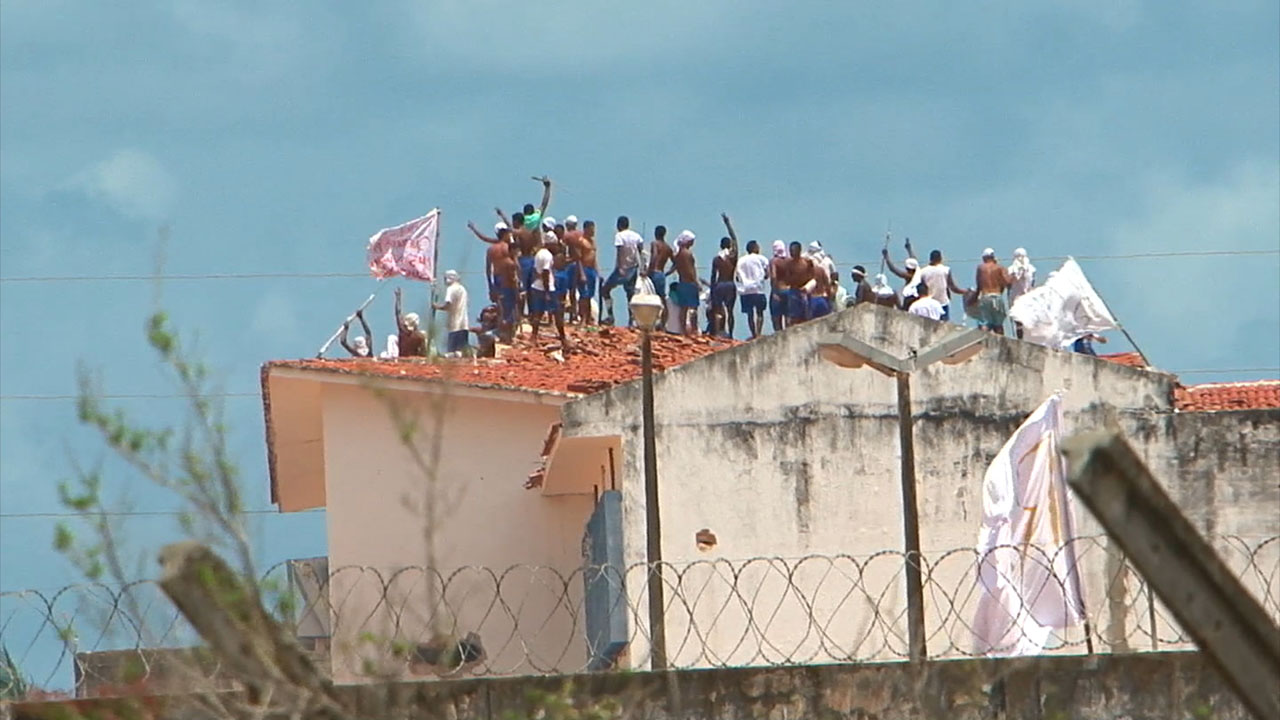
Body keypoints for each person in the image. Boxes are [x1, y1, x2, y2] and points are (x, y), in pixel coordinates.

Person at [601, 216, 644, 326]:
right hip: (633, 268)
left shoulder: (619, 236)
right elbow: (641, 251)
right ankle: (632, 320)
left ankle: (610, 316)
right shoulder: (636, 236)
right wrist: (643, 266)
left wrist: (620, 267)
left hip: (622, 268)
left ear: (619, 225)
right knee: (630, 295)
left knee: (605, 290)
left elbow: (619, 251)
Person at [529, 236, 570, 350]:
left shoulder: (539, 253)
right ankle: (563, 339)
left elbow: (536, 271)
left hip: (536, 286)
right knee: (557, 313)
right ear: (550, 244)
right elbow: (546, 272)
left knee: (537, 314)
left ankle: (533, 337)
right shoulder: (547, 256)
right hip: (547, 288)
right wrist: (547, 291)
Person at [917, 248, 968, 321]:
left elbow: (921, 289)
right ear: (940, 258)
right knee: (943, 326)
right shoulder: (945, 270)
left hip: (929, 304)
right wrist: (964, 291)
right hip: (942, 303)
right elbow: (953, 287)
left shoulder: (923, 272)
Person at [565, 218, 599, 325]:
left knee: (589, 295)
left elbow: (594, 257)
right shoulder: (581, 241)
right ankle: (582, 318)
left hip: (592, 270)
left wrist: (597, 271)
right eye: (591, 229)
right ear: (586, 229)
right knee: (583, 295)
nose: (593, 231)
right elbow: (578, 258)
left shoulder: (592, 242)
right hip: (584, 269)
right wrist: (582, 273)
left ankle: (588, 318)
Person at [734, 240, 770, 339]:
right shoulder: (762, 259)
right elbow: (767, 274)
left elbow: (737, 277)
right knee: (760, 313)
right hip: (758, 289)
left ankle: (753, 334)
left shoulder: (741, 260)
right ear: (755, 248)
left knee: (749, 314)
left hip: (745, 290)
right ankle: (758, 333)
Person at [972, 248, 1012, 334]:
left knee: (985, 323)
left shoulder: (980, 268)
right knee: (998, 325)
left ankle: (984, 342)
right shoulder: (1000, 268)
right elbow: (1008, 282)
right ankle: (1001, 345)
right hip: (997, 296)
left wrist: (973, 299)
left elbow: (979, 286)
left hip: (985, 296)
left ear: (984, 257)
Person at [431, 269, 470, 356]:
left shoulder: (451, 289)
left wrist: (436, 307)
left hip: (455, 323)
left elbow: (448, 304)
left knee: (452, 352)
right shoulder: (462, 289)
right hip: (464, 323)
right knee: (461, 351)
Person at [670, 230, 700, 335]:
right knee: (693, 308)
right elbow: (690, 270)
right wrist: (696, 282)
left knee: (683, 308)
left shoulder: (678, 254)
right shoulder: (687, 253)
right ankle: (693, 330)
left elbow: (675, 268)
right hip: (689, 283)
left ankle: (683, 330)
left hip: (682, 283)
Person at [710, 236, 737, 337]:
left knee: (718, 310)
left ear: (720, 246)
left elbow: (713, 276)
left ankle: (717, 332)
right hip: (730, 284)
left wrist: (712, 290)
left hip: (719, 284)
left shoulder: (717, 259)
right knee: (730, 311)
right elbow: (735, 243)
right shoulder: (732, 258)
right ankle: (730, 333)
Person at [782, 241, 815, 324]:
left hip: (805, 291)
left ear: (799, 250)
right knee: (794, 316)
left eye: (793, 250)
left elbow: (812, 276)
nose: (791, 252)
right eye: (790, 250)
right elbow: (786, 279)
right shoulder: (789, 264)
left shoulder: (806, 263)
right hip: (794, 291)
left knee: (807, 315)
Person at [883, 238, 921, 308]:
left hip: (910, 297)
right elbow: (913, 258)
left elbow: (893, 269)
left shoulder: (909, 276)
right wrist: (909, 248)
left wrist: (887, 257)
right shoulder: (918, 271)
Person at [1007, 247, 1036, 338]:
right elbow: (1032, 283)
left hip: (1016, 297)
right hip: (1028, 297)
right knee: (1027, 321)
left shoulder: (1011, 269)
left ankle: (1021, 339)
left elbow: (1008, 283)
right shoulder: (1032, 269)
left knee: (1018, 322)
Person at [394, 287, 428, 357]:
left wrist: (398, 298)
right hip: (414, 360)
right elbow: (423, 352)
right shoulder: (419, 336)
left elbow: (398, 313)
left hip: (402, 357)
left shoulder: (403, 331)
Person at [768, 240, 789, 332]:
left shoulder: (774, 261)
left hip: (778, 291)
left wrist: (774, 291)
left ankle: (779, 336)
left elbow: (773, 276)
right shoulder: (789, 261)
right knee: (788, 315)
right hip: (788, 290)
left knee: (776, 317)